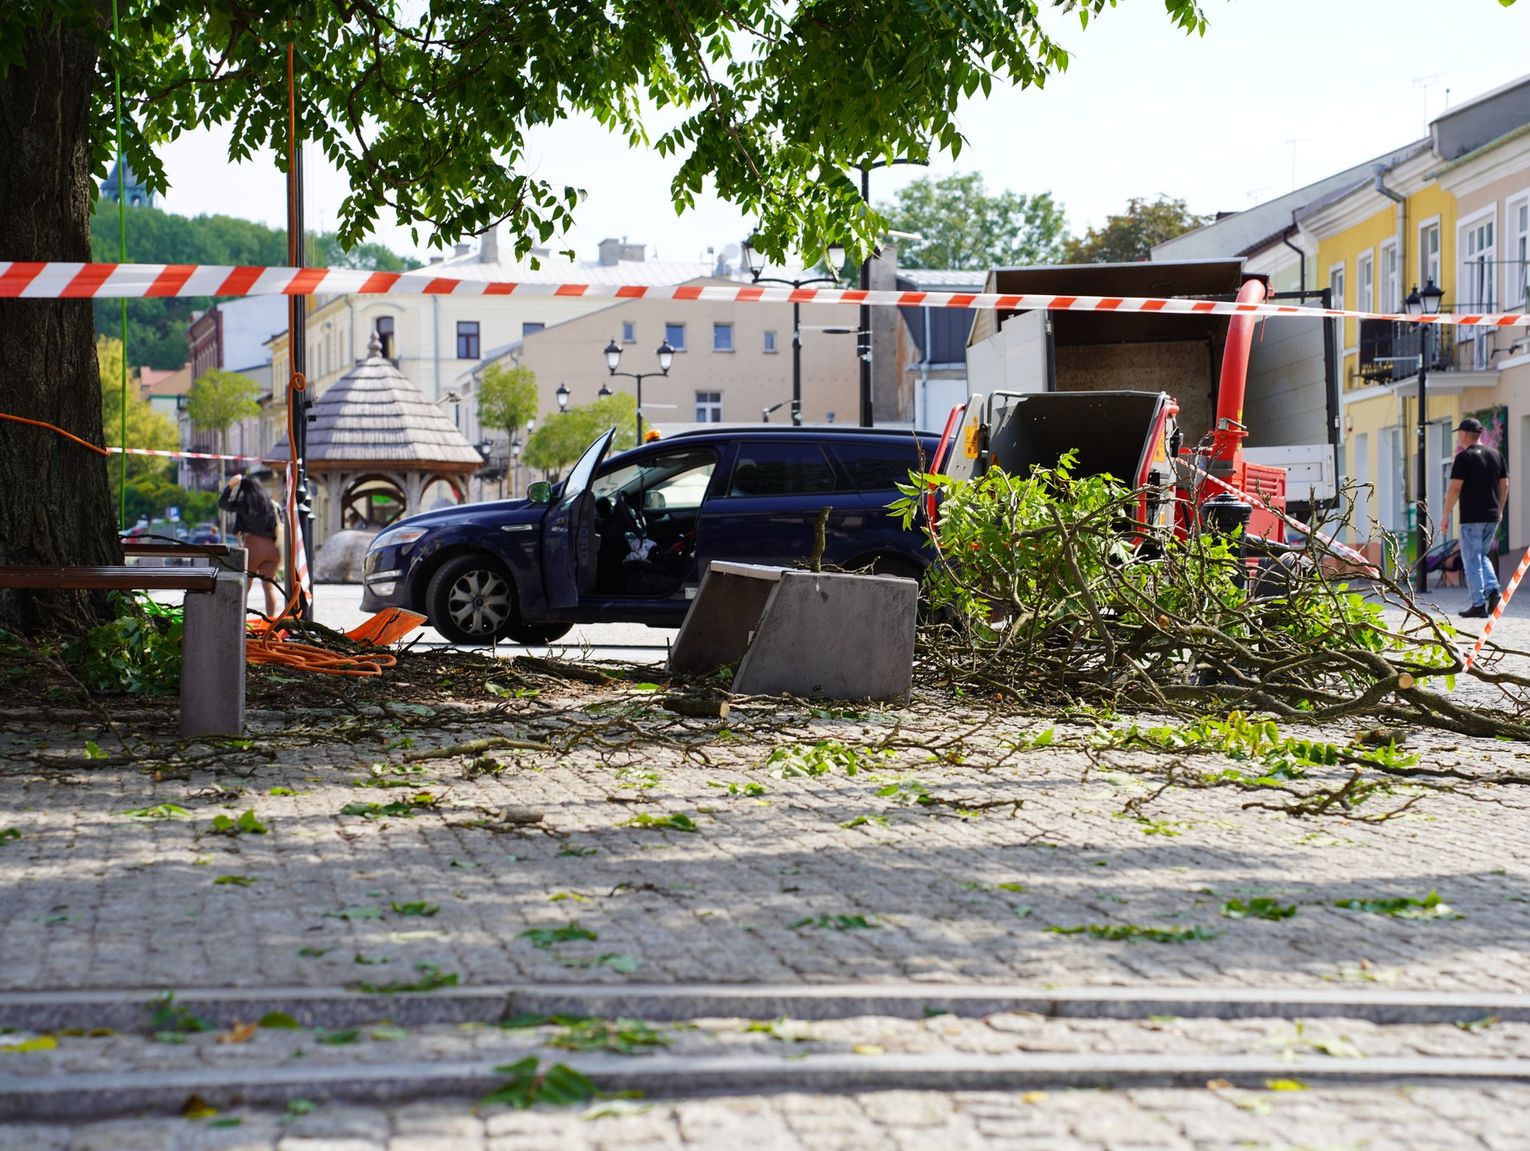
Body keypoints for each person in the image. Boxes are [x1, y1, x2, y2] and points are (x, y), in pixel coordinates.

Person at [1439, 417, 1508, 619]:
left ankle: (1478, 603)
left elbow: (1454, 488)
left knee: (1471, 560)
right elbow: (1504, 485)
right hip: (1492, 516)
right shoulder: (1496, 455)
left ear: (1464, 434)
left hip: (1471, 517)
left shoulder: (1464, 458)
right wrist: (1500, 509)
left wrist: (1445, 515)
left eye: (1459, 433)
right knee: (1481, 556)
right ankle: (1493, 591)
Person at [218, 471, 282, 618]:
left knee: (245, 586)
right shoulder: (270, 504)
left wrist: (230, 486)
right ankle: (271, 623)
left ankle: (237, 620)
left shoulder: (244, 504)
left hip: (253, 548)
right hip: (272, 549)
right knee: (269, 588)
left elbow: (222, 503)